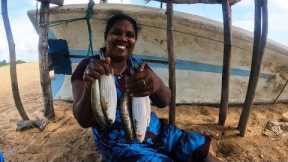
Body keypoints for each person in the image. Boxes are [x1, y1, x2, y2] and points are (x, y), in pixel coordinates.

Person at [72, 13, 215, 162]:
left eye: (130, 35)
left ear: (135, 40)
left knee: (198, 148)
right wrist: (90, 87)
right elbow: (83, 120)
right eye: (116, 33)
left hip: (158, 131)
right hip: (120, 143)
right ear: (106, 36)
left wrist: (156, 84)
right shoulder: (88, 66)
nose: (123, 38)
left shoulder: (139, 66)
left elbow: (164, 100)